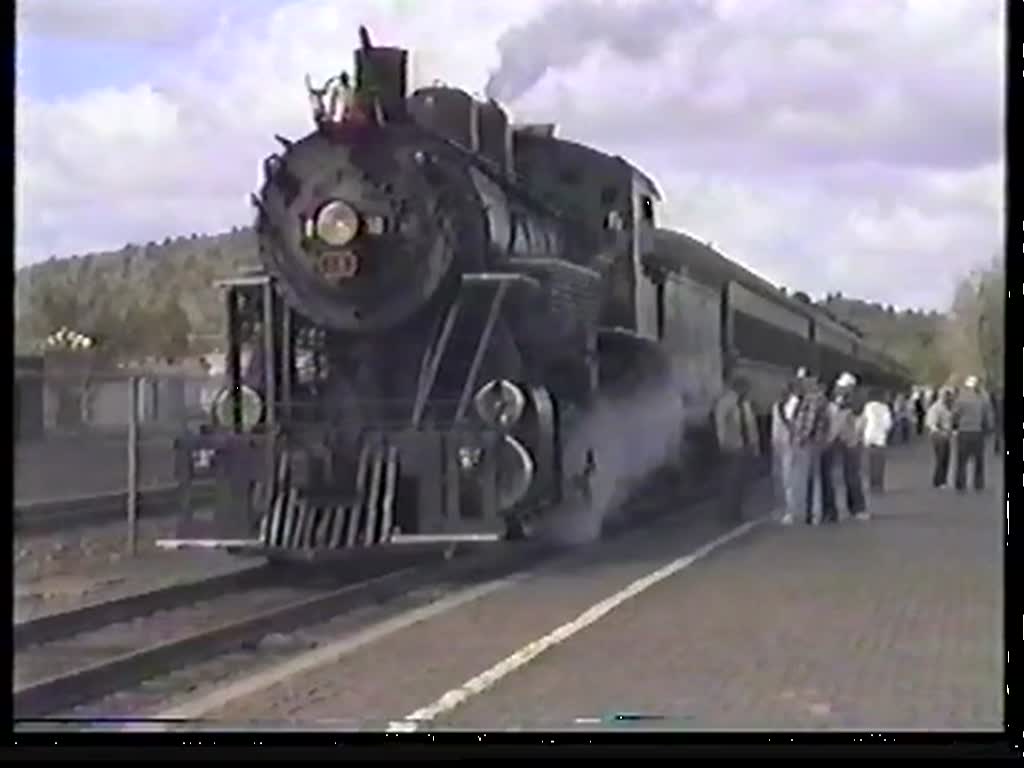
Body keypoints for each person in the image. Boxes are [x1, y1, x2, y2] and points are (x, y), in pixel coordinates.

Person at [821, 372, 868, 522]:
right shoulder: (829, 403)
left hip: (847, 440)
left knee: (851, 475)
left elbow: (859, 416)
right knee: (829, 476)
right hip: (833, 439)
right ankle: (831, 511)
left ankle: (856, 508)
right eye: (843, 388)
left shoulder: (854, 403)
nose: (844, 391)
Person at [713, 374, 760, 522]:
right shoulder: (725, 403)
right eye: (746, 388)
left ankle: (737, 512)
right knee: (730, 483)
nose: (747, 391)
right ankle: (728, 514)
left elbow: (751, 426)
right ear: (739, 387)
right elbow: (720, 424)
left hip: (745, 447)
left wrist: (755, 445)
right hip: (732, 447)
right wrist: (722, 443)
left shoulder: (745, 404)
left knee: (742, 483)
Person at [787, 370, 829, 525]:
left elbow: (809, 423)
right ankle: (808, 513)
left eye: (804, 381)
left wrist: (799, 439)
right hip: (813, 443)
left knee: (804, 478)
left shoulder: (812, 400)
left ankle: (805, 513)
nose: (801, 384)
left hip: (808, 444)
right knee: (810, 478)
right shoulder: (814, 399)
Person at [952, 376, 993, 493]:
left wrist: (955, 426)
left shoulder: (961, 399)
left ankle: (960, 483)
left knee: (962, 460)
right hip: (978, 432)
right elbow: (987, 417)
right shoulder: (983, 399)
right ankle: (978, 483)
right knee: (979, 460)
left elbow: (955, 414)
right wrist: (987, 430)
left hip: (964, 431)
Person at [770, 378, 800, 523]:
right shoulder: (777, 406)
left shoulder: (793, 405)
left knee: (789, 479)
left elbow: (792, 425)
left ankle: (791, 510)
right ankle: (782, 508)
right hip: (778, 445)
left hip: (789, 445)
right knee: (779, 478)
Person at [861, 388, 893, 493]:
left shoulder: (868, 407)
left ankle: (871, 485)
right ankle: (879, 485)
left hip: (869, 437)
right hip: (880, 438)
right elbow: (888, 424)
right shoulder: (885, 408)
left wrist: (862, 433)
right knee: (879, 464)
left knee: (869, 463)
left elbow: (863, 421)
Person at [926, 388, 955, 488]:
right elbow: (931, 423)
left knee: (946, 458)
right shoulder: (936, 407)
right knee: (941, 458)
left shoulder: (947, 407)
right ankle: (938, 481)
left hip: (946, 435)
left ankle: (943, 480)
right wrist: (941, 432)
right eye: (948, 396)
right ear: (943, 396)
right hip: (938, 436)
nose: (950, 398)